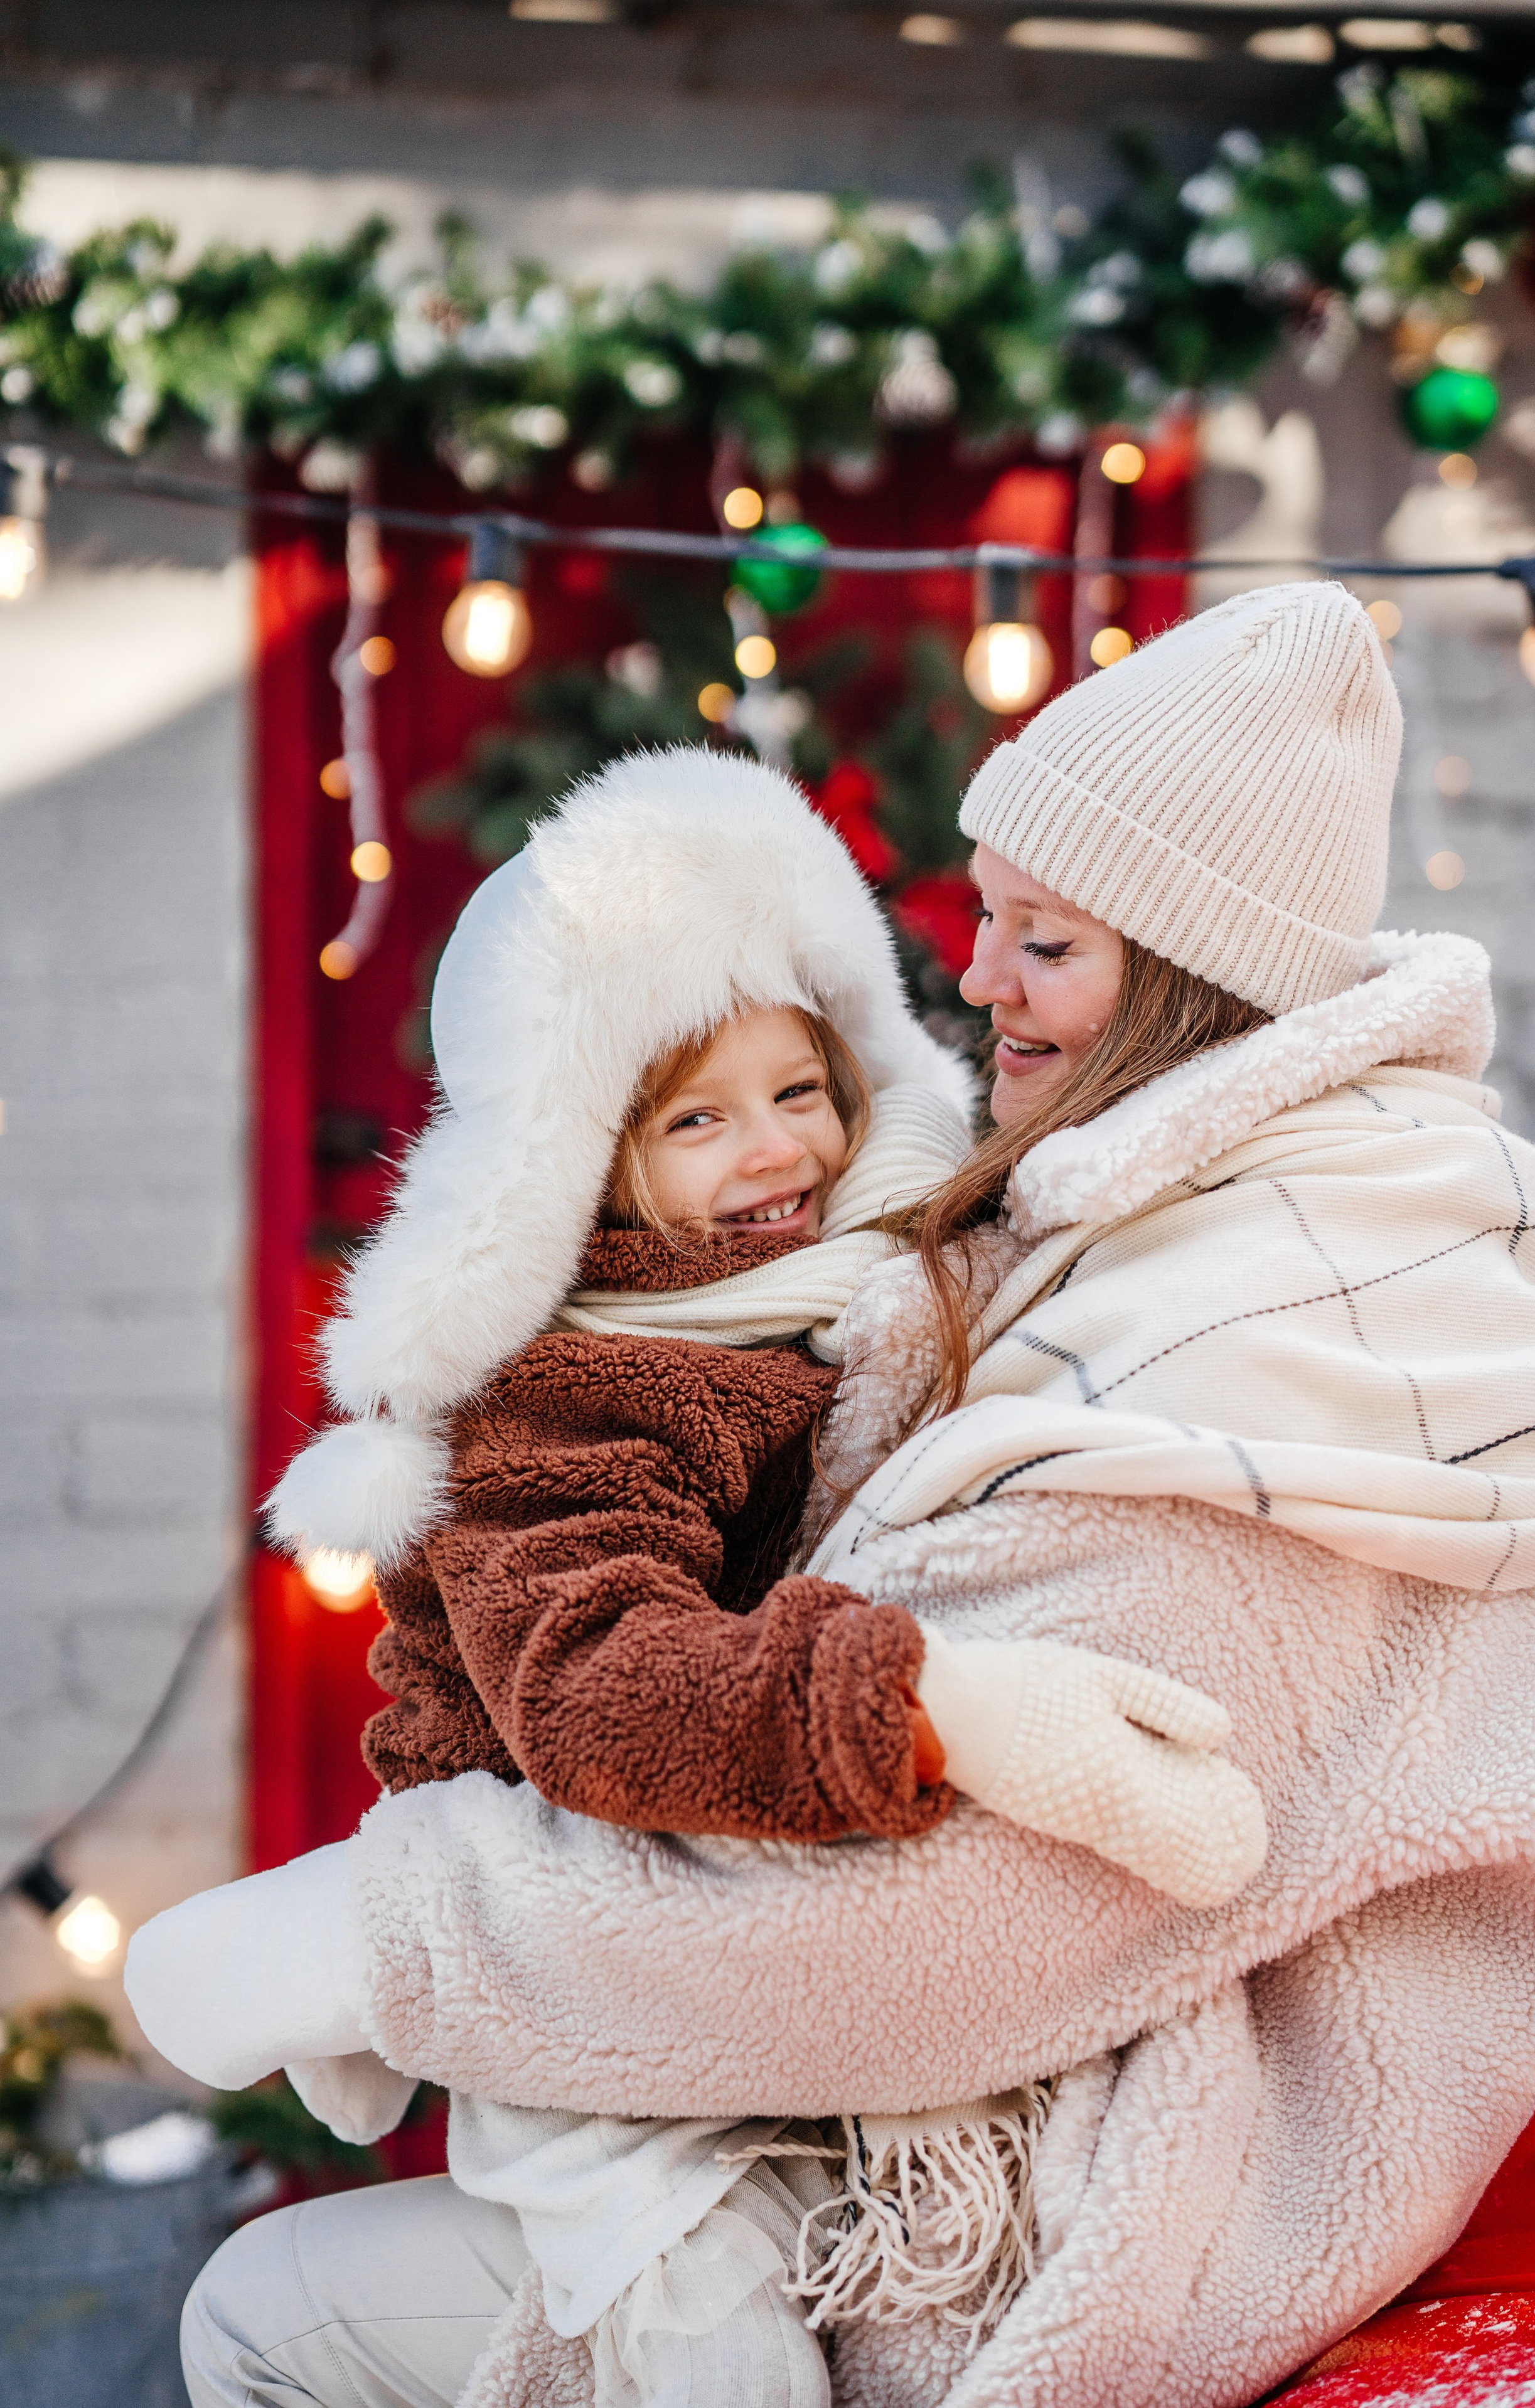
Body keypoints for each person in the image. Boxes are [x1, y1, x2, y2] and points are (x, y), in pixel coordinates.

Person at [133, 584, 1535, 2408]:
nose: (974, 980)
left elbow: (963, 1931)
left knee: (272, 2321)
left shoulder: (1260, 1330)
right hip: (1096, 2086)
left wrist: (387, 1933)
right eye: (981, 924)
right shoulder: (1259, 1220)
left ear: (1190, 965)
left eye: (1042, 942)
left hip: (1108, 2180)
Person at [134, 747, 1263, 2408]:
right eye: (696, 1118)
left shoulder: (845, 1294)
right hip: (590, 2021)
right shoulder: (580, 1389)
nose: (774, 1153)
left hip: (734, 1989)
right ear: (586, 1163)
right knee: (714, 2342)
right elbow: (602, 1689)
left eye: (801, 1088)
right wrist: (908, 1701)